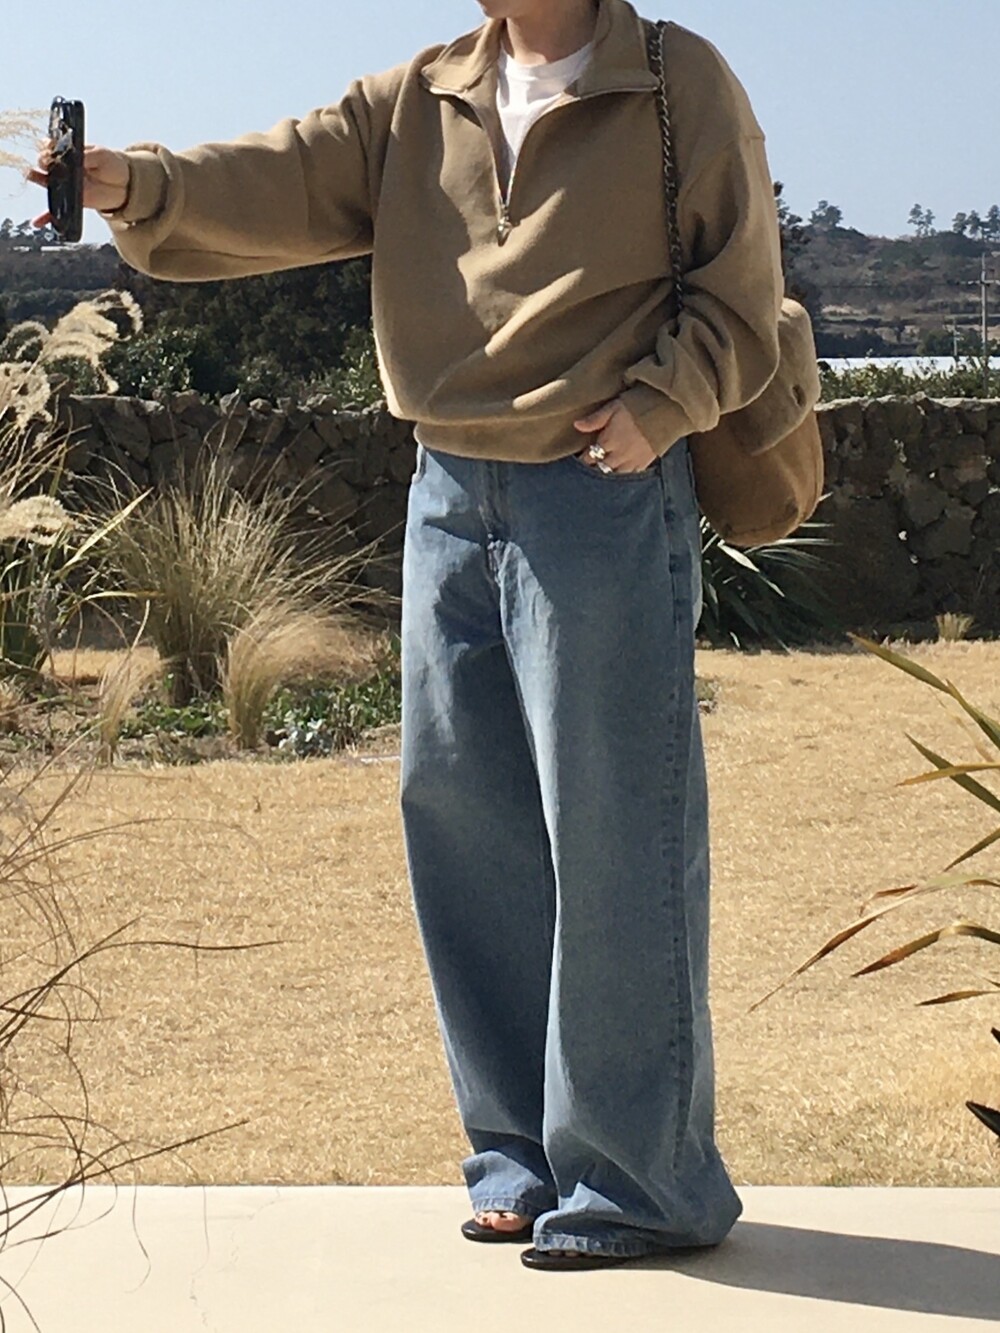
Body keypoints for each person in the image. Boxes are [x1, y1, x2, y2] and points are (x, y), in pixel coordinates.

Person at [31, 0, 783, 1271]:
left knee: (616, 834)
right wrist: (132, 183)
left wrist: (661, 408)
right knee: (465, 832)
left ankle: (641, 1181)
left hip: (599, 494)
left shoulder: (676, 81)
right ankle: (519, 1158)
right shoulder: (420, 95)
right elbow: (281, 173)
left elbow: (741, 287)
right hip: (448, 494)